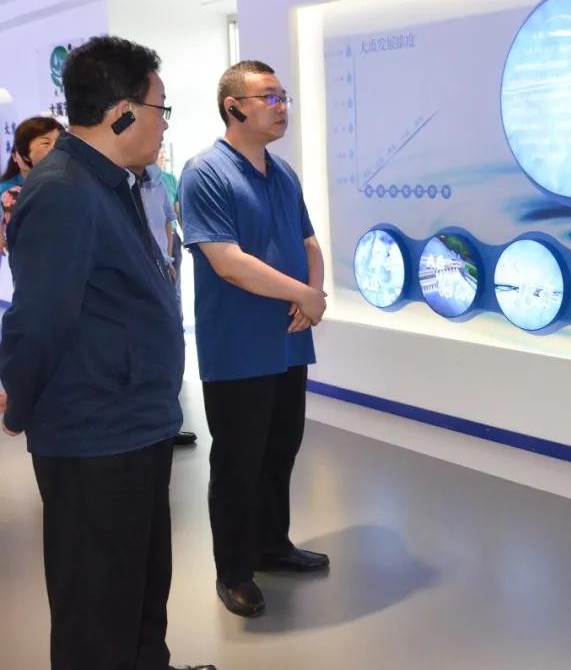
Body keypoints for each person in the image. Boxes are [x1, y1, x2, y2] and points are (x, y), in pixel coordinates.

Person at [0, 35, 215, 670]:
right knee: (97, 609)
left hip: (136, 423)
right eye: (160, 108)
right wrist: (18, 404)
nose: (164, 123)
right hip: (93, 436)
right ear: (122, 114)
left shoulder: (116, 183)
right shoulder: (63, 191)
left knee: (141, 587)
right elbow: (39, 320)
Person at [180, 60, 328, 618]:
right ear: (233, 107)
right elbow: (228, 262)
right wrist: (304, 294)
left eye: (283, 96)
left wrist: (312, 294)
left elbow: (309, 242)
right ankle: (235, 570)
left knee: (280, 448)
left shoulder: (282, 172)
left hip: (288, 338)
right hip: (239, 345)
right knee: (239, 460)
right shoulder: (206, 172)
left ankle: (271, 545)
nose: (281, 106)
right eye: (268, 97)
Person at [135, 161, 197, 446]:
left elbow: (166, 222)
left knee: (170, 337)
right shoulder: (111, 181)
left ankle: (167, 423)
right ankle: (146, 427)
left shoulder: (159, 180)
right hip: (137, 272)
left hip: (163, 265)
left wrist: (168, 258)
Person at [0, 116, 65, 253]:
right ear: (22, 154)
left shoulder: (75, 180)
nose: (55, 148)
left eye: (60, 141)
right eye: (46, 143)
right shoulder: (11, 193)